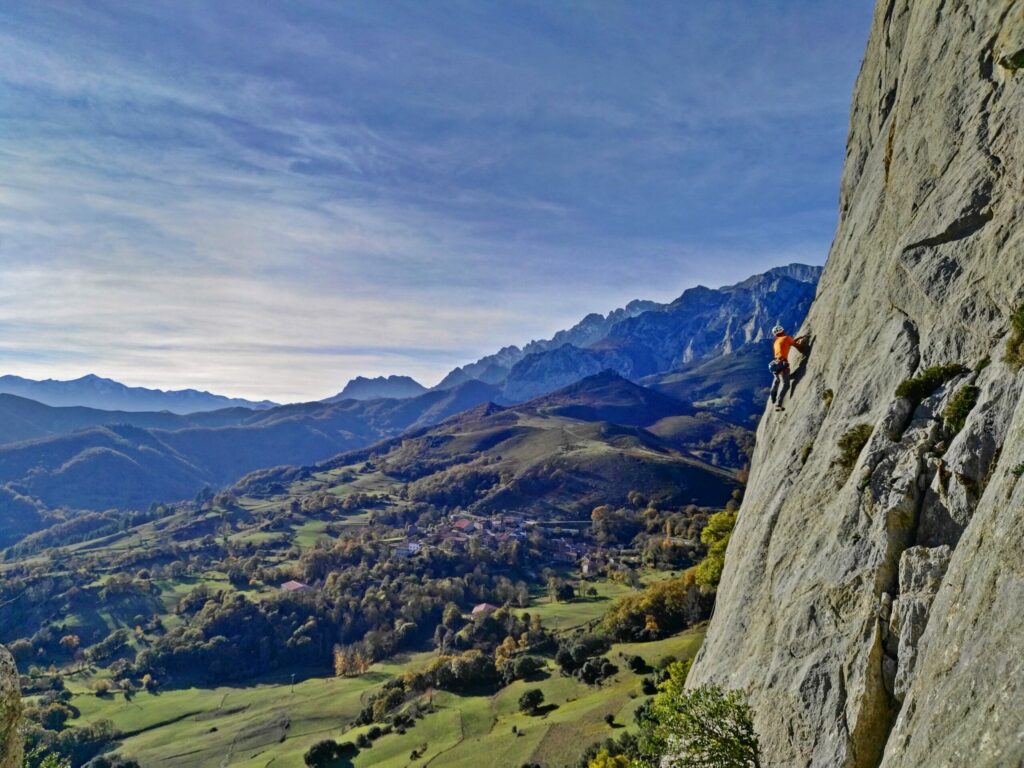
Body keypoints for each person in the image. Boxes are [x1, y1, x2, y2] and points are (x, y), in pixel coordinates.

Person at [769, 324, 795, 411]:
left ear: (775, 335)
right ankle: (778, 404)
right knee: (786, 385)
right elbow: (796, 345)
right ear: (783, 331)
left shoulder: (776, 342)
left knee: (778, 380)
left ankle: (773, 393)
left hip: (775, 364)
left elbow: (783, 347)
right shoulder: (787, 338)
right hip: (782, 364)